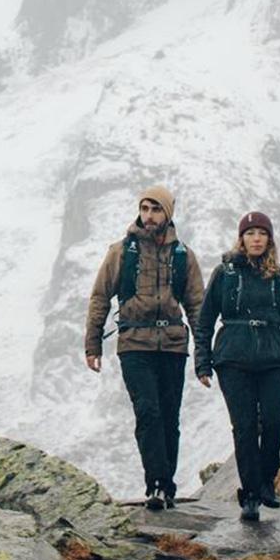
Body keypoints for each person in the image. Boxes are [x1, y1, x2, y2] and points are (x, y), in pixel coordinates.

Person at [85, 185, 204, 510]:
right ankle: (156, 484)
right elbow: (100, 296)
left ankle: (166, 485)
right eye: (145, 209)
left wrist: (204, 354)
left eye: (156, 209)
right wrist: (92, 342)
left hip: (174, 346)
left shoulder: (184, 256)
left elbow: (197, 306)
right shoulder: (122, 252)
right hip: (134, 343)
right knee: (148, 412)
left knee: (169, 416)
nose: (149, 216)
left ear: (168, 214)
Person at [195, 211, 280, 521]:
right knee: (243, 426)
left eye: (262, 233)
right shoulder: (225, 273)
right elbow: (205, 320)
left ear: (270, 239)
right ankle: (251, 495)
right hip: (233, 358)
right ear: (241, 238)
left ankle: (266, 481)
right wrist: (202, 361)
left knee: (275, 419)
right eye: (250, 233)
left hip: (273, 357)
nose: (256, 238)